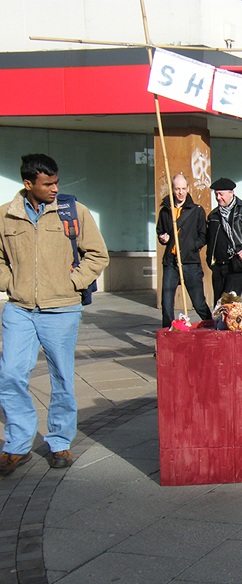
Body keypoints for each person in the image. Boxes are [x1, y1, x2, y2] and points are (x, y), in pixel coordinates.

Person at [0, 154, 108, 476]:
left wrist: (72, 283)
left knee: (61, 376)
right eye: (47, 184)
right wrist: (10, 282)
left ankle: (60, 440)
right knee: (10, 375)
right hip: (19, 308)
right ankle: (18, 444)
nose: (54, 188)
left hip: (61, 308)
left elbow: (98, 254)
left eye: (56, 182)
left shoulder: (73, 212)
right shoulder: (6, 216)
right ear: (28, 183)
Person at [156, 174, 213, 328]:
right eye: (177, 189)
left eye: (183, 189)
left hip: (190, 262)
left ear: (188, 189)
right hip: (171, 262)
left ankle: (212, 328)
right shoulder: (166, 211)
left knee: (198, 302)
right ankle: (167, 336)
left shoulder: (197, 211)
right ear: (172, 190)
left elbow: (203, 237)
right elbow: (160, 230)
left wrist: (191, 246)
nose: (180, 192)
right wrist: (163, 237)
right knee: (167, 302)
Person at [206, 177, 242, 305]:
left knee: (229, 301)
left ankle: (230, 324)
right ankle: (220, 324)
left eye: (221, 194)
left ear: (231, 193)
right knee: (218, 302)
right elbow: (208, 238)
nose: (218, 198)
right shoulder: (213, 216)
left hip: (237, 264)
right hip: (219, 265)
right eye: (216, 194)